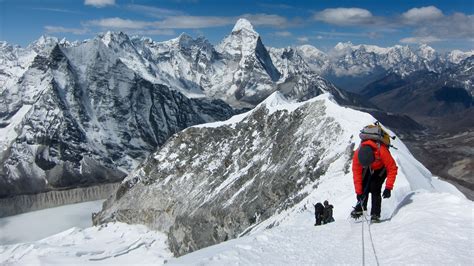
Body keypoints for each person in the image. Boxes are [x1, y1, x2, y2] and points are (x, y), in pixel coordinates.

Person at [351, 138, 398, 222]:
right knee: (364, 184)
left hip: (381, 167)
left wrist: (388, 187)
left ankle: (375, 214)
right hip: (369, 167)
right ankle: (361, 207)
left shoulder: (382, 151)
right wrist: (358, 192)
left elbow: (392, 168)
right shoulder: (357, 155)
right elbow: (357, 175)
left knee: (375, 187)